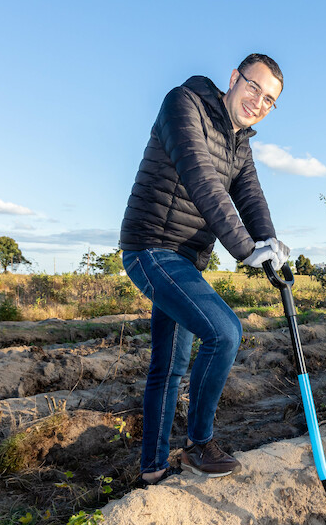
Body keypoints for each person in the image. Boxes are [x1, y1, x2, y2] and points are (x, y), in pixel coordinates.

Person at [120, 53, 290, 485]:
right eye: (254, 86)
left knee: (169, 366)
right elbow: (201, 179)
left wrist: (270, 245)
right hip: (151, 247)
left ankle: (153, 470)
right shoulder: (184, 103)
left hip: (186, 260)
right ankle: (200, 443)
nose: (258, 101)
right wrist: (243, 249)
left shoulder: (240, 142)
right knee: (225, 332)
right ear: (234, 78)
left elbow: (250, 197)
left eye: (269, 99)